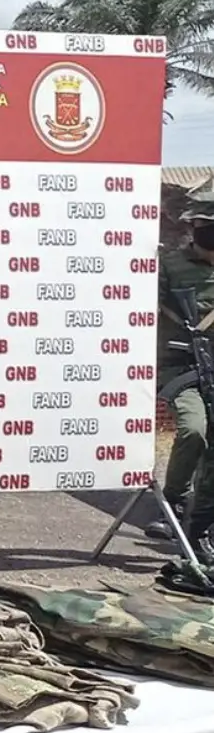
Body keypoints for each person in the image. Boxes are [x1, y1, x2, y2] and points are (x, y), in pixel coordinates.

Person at [152, 193, 214, 550]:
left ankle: (201, 523)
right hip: (182, 367)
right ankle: (173, 502)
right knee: (193, 430)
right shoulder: (170, 265)